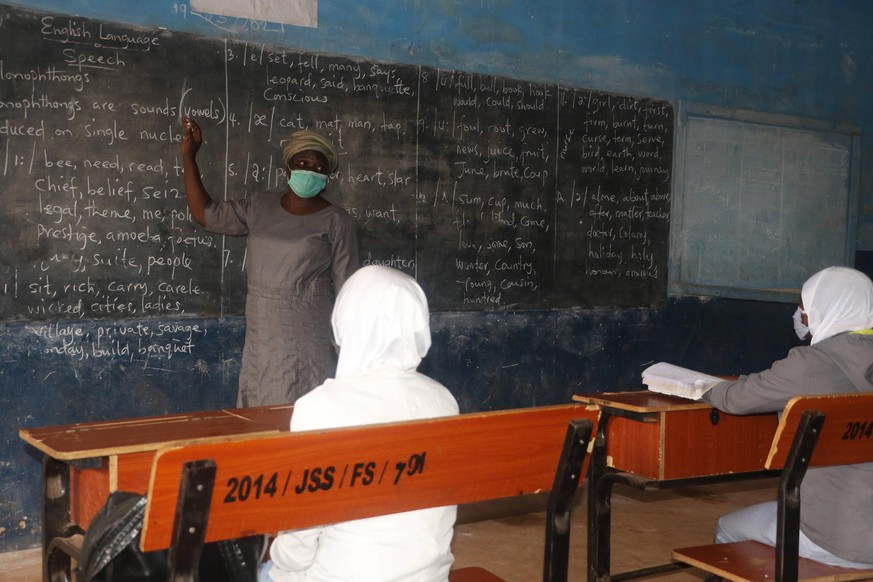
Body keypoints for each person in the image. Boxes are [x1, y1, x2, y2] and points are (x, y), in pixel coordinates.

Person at [260, 265, 460, 582]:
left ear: (346, 320)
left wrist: (276, 559)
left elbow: (301, 537)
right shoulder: (444, 400)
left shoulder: (320, 407)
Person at [701, 265, 873, 569]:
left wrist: (703, 387)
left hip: (836, 536)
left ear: (824, 311)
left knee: (728, 527)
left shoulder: (809, 363)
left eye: (805, 310)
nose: (801, 317)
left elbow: (735, 399)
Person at [180, 118, 359, 407]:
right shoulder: (260, 205)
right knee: (261, 400)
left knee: (304, 406)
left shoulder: (337, 221)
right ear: (288, 167)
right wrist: (190, 157)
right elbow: (205, 214)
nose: (310, 170)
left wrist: (349, 348)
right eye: (303, 163)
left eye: (319, 167)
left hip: (310, 330)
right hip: (263, 328)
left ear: (328, 175)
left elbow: (349, 289)